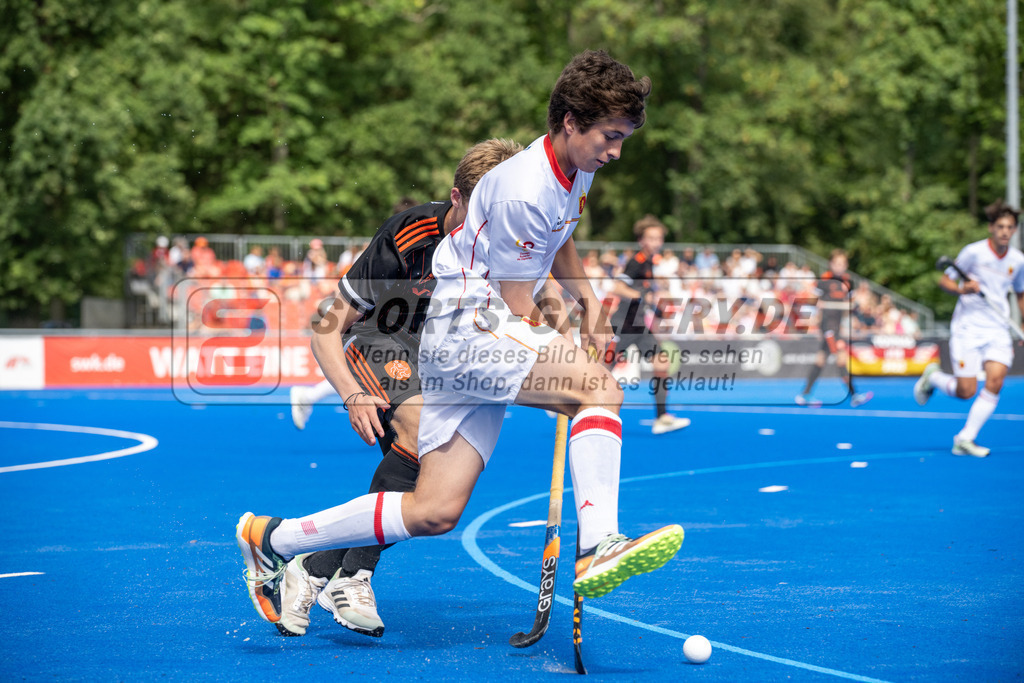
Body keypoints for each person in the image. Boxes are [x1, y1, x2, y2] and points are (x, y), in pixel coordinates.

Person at [237, 50, 683, 634]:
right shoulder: (524, 188)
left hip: (458, 340)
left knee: (434, 511)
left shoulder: (576, 167)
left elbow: (563, 233)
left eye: (623, 137)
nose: (616, 150)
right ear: (571, 121)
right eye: (610, 135)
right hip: (470, 333)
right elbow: (521, 302)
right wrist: (566, 341)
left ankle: (272, 539)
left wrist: (591, 305)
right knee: (597, 389)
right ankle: (599, 542)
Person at [276, 139, 522, 638]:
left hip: (442, 356)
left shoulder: (507, 238)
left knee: (435, 485)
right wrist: (351, 393)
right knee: (418, 427)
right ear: (457, 197)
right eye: (482, 215)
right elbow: (329, 324)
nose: (491, 231)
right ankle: (353, 575)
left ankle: (316, 568)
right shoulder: (409, 234)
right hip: (377, 339)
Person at [914, 199, 1024, 456]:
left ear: (1015, 230)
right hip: (968, 327)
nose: (1005, 231)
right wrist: (962, 288)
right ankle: (933, 377)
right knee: (966, 391)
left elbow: (1020, 293)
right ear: (991, 228)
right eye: (1000, 226)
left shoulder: (1018, 260)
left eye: (1010, 227)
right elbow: (944, 281)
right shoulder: (973, 253)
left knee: (995, 381)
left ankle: (965, 438)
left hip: (998, 328)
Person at [606, 214, 690, 434]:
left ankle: (662, 417)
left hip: (639, 325)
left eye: (658, 238)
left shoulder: (650, 263)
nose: (655, 242)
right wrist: (641, 296)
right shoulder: (637, 261)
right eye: (651, 238)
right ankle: (570, 403)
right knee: (603, 370)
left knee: (661, 362)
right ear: (641, 240)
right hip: (623, 324)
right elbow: (617, 288)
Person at [795, 249, 873, 408]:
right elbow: (812, 300)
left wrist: (851, 318)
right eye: (837, 263)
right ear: (831, 264)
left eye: (843, 264)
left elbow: (850, 305)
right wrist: (815, 315)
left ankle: (804, 394)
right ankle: (854, 395)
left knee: (821, 360)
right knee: (841, 357)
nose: (840, 266)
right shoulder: (824, 280)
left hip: (837, 326)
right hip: (827, 327)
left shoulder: (847, 282)